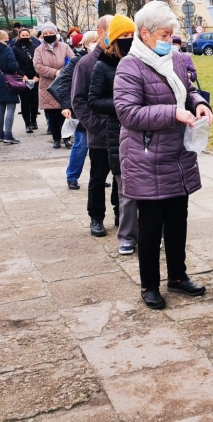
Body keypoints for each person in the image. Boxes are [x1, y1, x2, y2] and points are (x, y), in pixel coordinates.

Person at [113, 1, 213, 310]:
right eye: (164, 33)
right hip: (146, 159)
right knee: (150, 225)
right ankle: (149, 284)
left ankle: (178, 276)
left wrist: (198, 103)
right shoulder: (129, 66)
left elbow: (189, 90)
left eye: (172, 33)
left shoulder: (178, 59)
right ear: (145, 34)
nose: (169, 38)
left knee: (177, 220)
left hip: (177, 155)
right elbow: (128, 113)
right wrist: (173, 113)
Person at [86, 23, 138, 253]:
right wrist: (122, 106)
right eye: (124, 36)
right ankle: (126, 236)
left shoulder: (140, 60)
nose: (129, 39)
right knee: (124, 187)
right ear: (115, 40)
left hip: (143, 128)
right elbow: (93, 100)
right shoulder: (103, 66)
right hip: (117, 130)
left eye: (132, 35)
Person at [73, 16, 121, 234]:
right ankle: (96, 217)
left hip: (123, 130)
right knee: (98, 177)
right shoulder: (86, 64)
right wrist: (95, 125)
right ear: (101, 33)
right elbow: (79, 100)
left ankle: (121, 213)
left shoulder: (124, 58)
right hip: (100, 133)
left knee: (121, 176)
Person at [52, 33, 92, 188]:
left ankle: (98, 175)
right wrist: (66, 106)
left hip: (99, 109)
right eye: (93, 41)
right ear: (86, 44)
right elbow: (64, 83)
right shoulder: (77, 61)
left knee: (100, 147)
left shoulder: (104, 59)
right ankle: (72, 176)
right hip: (82, 108)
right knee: (81, 144)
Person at [33, 22, 75, 149]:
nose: (48, 35)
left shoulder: (65, 46)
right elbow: (38, 66)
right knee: (53, 115)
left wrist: (63, 72)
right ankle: (56, 138)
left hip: (64, 84)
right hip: (48, 85)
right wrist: (54, 72)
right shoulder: (38, 50)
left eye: (51, 33)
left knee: (65, 112)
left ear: (55, 33)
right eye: (46, 33)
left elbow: (72, 60)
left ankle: (66, 138)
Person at [0, 30, 21, 145]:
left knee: (0, 107)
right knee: (11, 107)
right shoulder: (8, 49)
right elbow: (12, 66)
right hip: (8, 79)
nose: (8, 38)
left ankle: (0, 134)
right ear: (2, 37)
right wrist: (17, 65)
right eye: (6, 36)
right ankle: (8, 134)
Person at [11, 28, 39, 132]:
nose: (25, 37)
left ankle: (34, 120)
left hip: (34, 77)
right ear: (19, 36)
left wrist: (37, 75)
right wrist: (22, 74)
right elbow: (14, 63)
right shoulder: (14, 49)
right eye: (23, 36)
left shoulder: (35, 48)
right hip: (22, 78)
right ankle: (27, 124)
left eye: (27, 35)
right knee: (25, 101)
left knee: (34, 100)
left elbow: (38, 62)